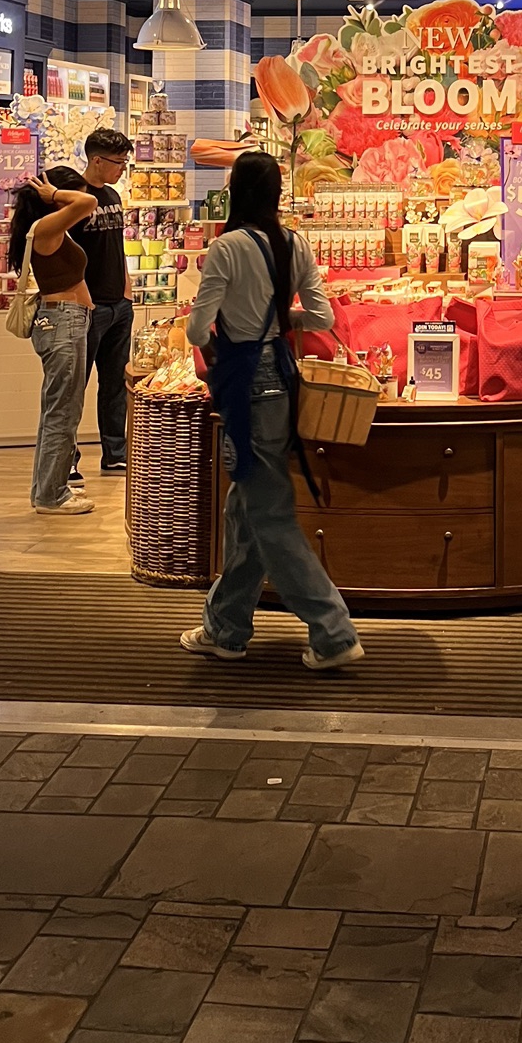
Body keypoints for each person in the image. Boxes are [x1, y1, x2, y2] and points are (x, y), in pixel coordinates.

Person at [181, 149, 363, 670]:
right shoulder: (295, 243)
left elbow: (196, 329)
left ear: (236, 192)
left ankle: (333, 632)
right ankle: (226, 627)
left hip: (244, 384)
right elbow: (323, 317)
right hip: (282, 380)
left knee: (269, 514)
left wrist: (228, 337)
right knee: (245, 509)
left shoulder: (227, 248)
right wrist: (284, 321)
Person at [7, 172, 100, 515]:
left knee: (58, 410)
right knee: (63, 411)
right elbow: (89, 201)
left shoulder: (49, 229)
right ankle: (52, 495)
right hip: (63, 322)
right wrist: (56, 193)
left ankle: (47, 488)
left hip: (64, 321)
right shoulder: (45, 228)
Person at [47, 127, 134, 476]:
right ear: (96, 160)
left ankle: (115, 453)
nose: (122, 169)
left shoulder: (113, 195)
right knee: (73, 387)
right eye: (118, 162)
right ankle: (66, 460)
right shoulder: (75, 198)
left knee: (115, 385)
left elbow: (117, 246)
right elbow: (62, 251)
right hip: (86, 306)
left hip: (118, 304)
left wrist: (126, 288)